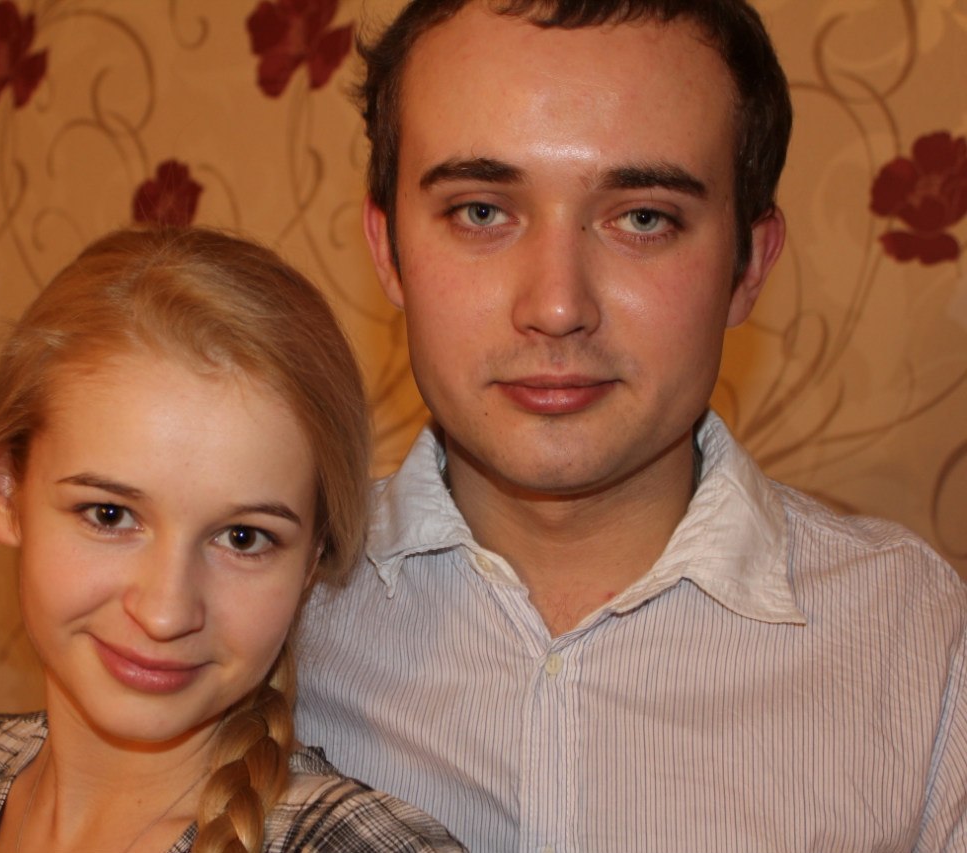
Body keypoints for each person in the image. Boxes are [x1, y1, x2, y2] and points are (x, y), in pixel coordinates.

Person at [294, 1, 967, 851]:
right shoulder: (246, 612)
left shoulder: (923, 645)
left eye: (644, 218)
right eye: (481, 212)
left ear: (748, 266)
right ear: (388, 249)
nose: (557, 306)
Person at [0, 227, 465, 852]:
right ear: (5, 494)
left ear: (312, 558)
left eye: (243, 538)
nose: (165, 613)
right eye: (110, 516)